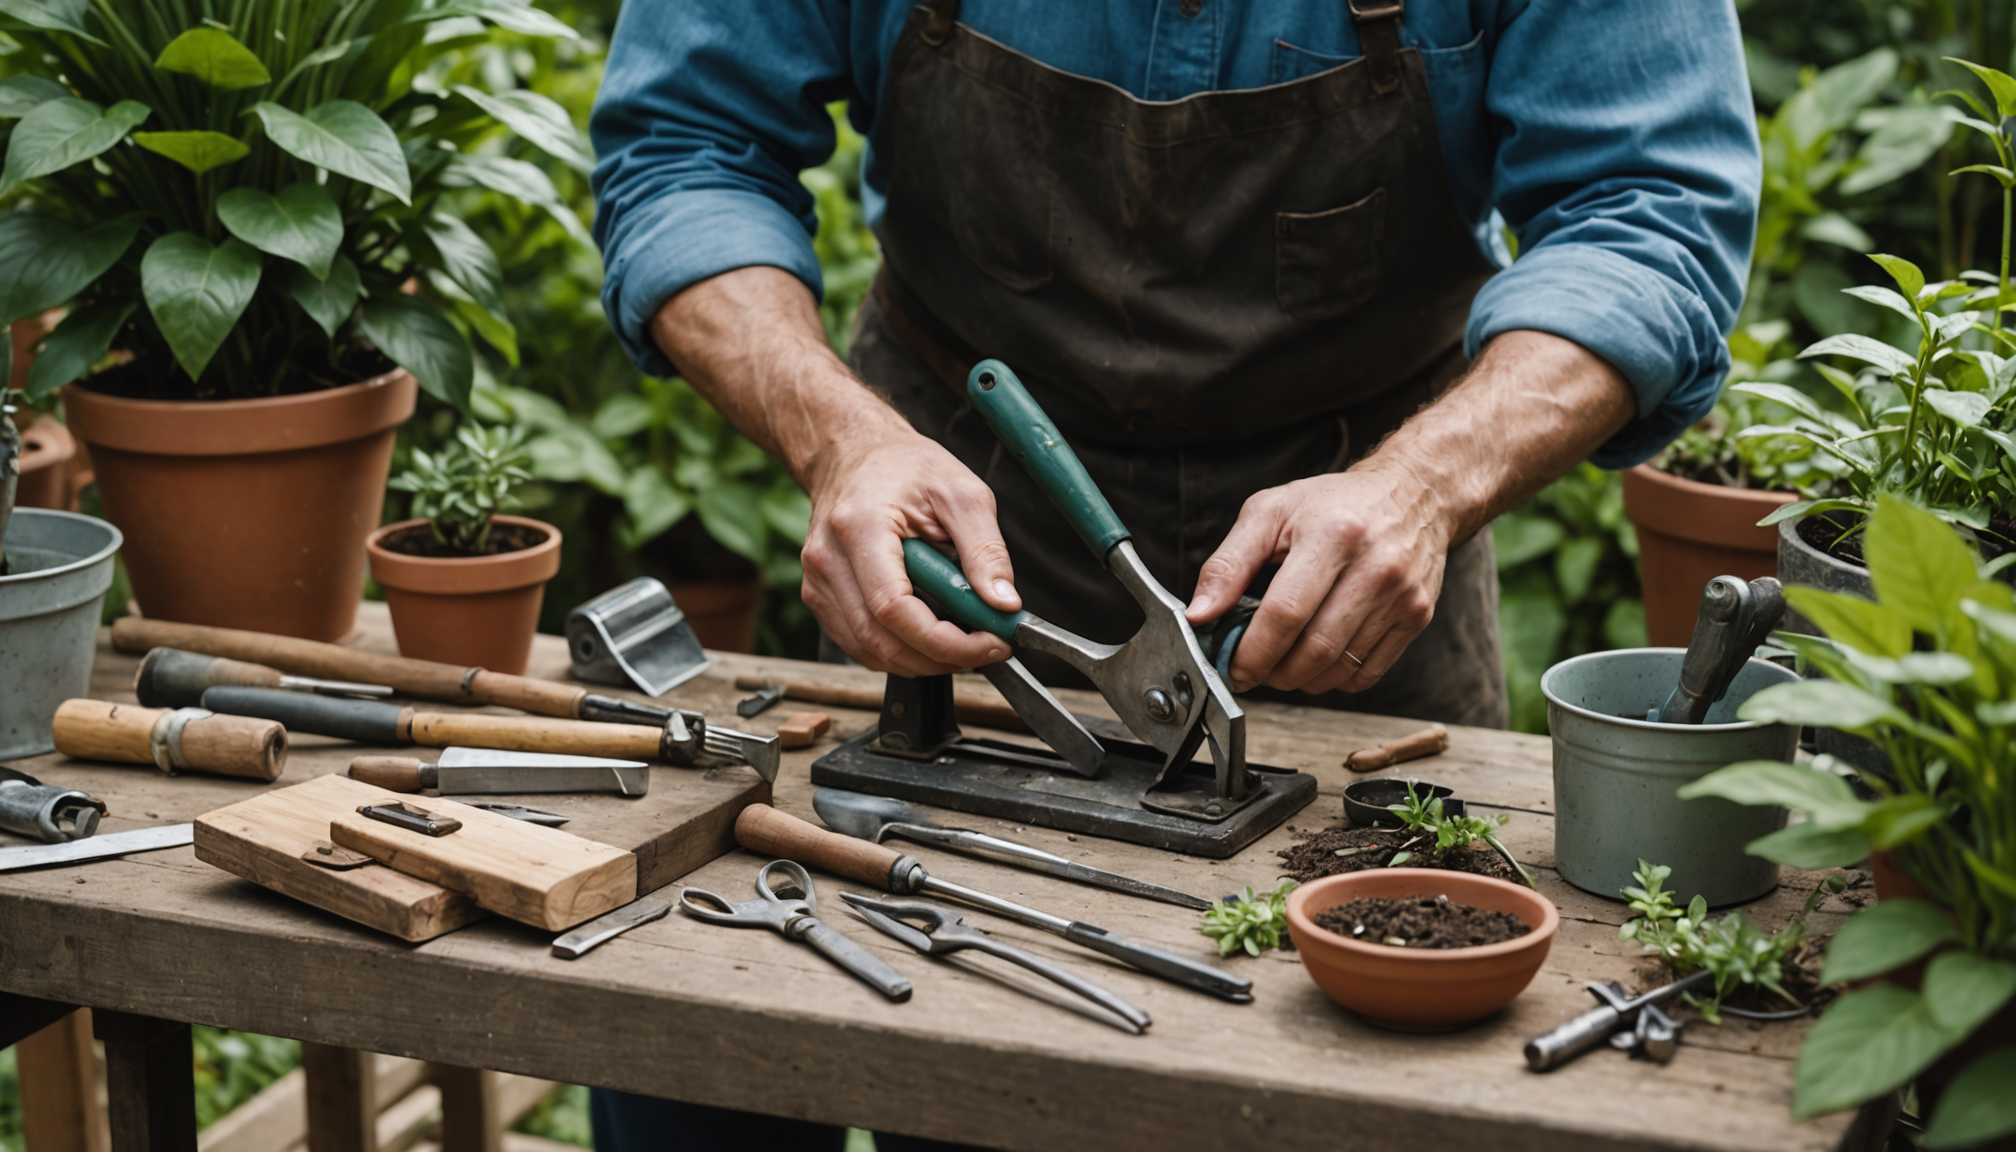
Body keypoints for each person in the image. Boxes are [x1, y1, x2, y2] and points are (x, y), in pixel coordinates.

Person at [588, 0, 1758, 1145]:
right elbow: (687, 144)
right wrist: (838, 438)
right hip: (950, 506)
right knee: (922, 1059)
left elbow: (1651, 208)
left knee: (1371, 1088)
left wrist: (1423, 486)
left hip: (1363, 555)